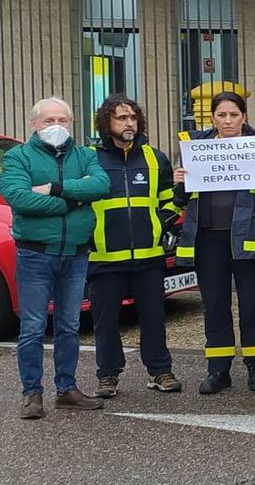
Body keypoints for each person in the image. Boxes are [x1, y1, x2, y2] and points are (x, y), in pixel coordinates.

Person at [2, 98, 110, 419]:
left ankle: (67, 389)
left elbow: (102, 185)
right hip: (35, 255)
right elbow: (18, 198)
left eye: (63, 120)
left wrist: (52, 188)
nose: (56, 126)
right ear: (35, 124)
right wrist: (71, 202)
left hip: (75, 254)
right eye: (49, 120)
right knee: (33, 327)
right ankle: (32, 394)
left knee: (69, 326)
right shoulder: (18, 156)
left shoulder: (84, 156)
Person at [173, 92, 255, 395]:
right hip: (208, 240)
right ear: (213, 118)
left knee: (250, 306)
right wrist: (179, 182)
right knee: (215, 306)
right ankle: (218, 371)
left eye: (234, 115)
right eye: (221, 115)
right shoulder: (196, 148)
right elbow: (181, 201)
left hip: (249, 240)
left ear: (244, 117)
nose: (228, 121)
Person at [87, 96, 182, 398]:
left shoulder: (155, 158)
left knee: (154, 317)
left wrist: (161, 223)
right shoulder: (89, 158)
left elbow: (170, 200)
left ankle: (160, 371)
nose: (129, 123)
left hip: (148, 256)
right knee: (105, 321)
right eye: (121, 118)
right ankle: (108, 375)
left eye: (132, 117)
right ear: (106, 123)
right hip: (103, 256)